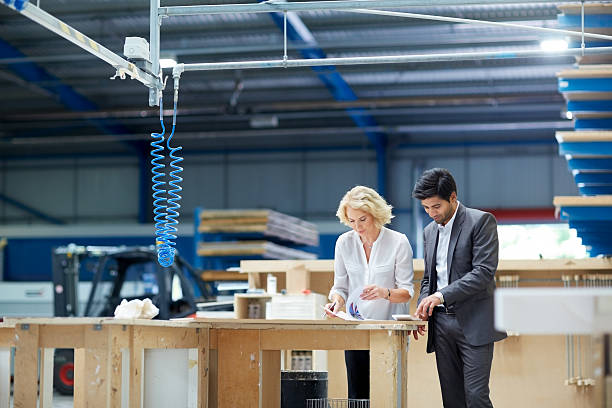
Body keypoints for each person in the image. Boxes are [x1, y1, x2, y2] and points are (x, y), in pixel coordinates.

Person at [411, 168, 506, 408]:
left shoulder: (481, 221)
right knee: (451, 399)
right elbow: (428, 279)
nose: (431, 213)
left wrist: (440, 295)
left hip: (475, 321)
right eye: (426, 208)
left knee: (475, 397)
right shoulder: (429, 232)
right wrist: (424, 302)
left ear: (452, 197)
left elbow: (483, 272)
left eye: (436, 206)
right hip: (441, 324)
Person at [325, 185, 414, 400]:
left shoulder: (398, 242)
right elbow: (340, 288)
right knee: (358, 395)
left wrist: (385, 292)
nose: (357, 227)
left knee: (388, 394)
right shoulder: (344, 243)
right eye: (352, 221)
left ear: (376, 214)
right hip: (356, 329)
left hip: (389, 330)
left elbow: (407, 292)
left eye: (362, 220)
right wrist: (336, 302)